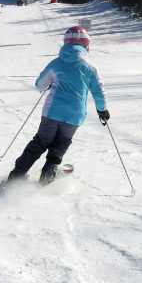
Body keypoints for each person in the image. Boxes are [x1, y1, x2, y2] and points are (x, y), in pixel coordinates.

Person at [7, 26, 109, 185]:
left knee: (40, 141)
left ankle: (17, 174)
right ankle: (47, 175)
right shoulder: (90, 67)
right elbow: (99, 91)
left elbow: (39, 85)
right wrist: (102, 110)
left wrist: (51, 83)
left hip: (52, 112)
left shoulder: (56, 63)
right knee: (61, 143)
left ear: (65, 43)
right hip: (74, 115)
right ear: (86, 45)